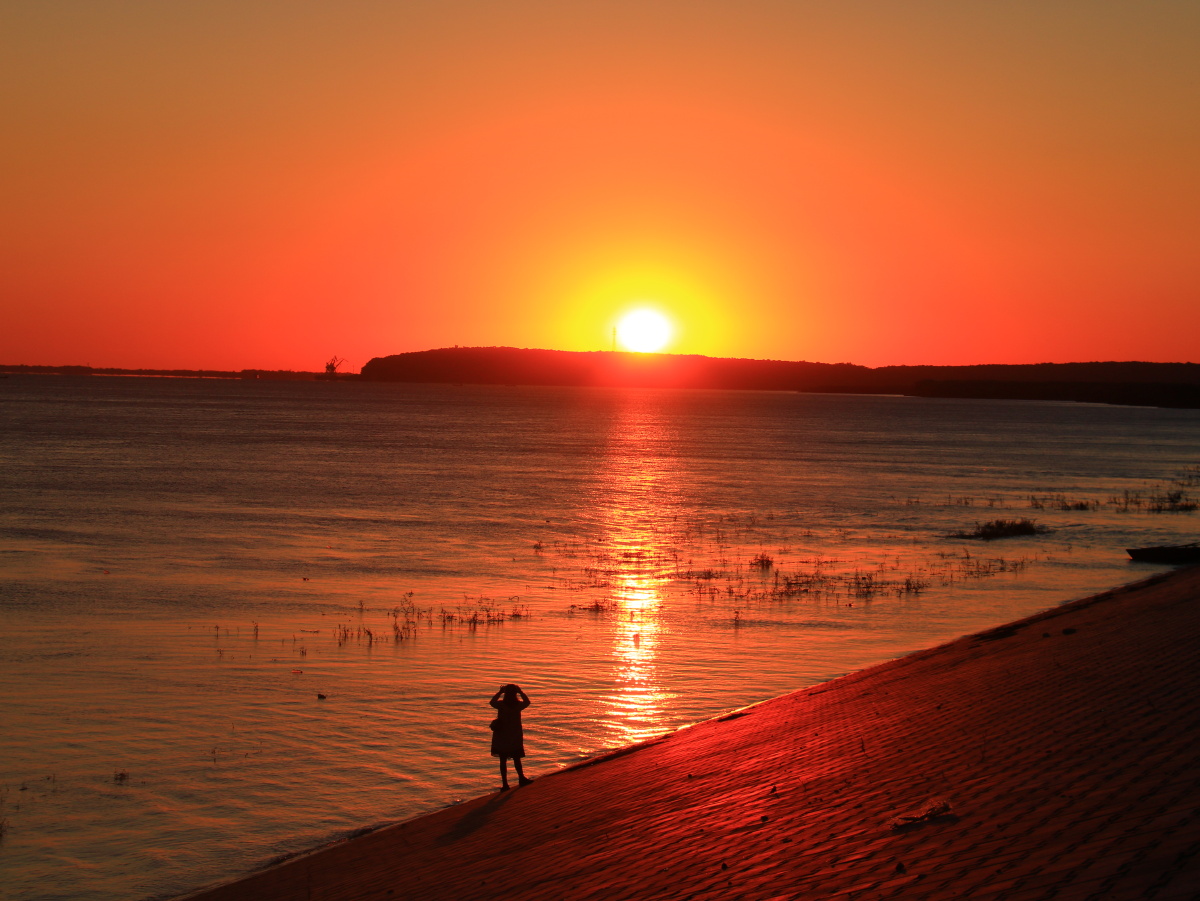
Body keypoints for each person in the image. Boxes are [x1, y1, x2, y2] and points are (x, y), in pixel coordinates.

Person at [489, 683, 532, 790]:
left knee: (503, 760)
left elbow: (492, 702)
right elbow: (527, 702)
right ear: (515, 693)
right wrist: (521, 692)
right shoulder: (517, 706)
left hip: (502, 735)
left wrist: (500, 692)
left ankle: (505, 784)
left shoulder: (501, 705)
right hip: (514, 734)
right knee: (516, 758)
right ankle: (521, 778)